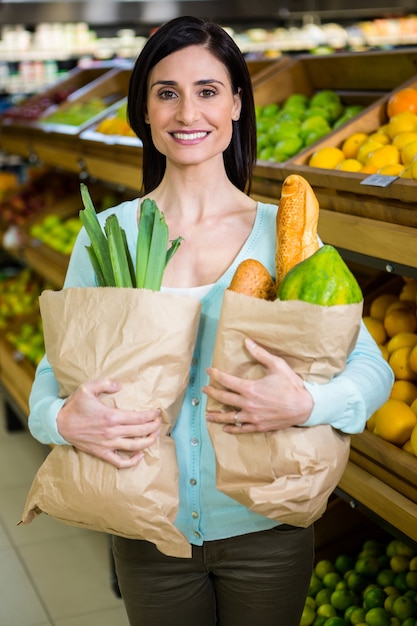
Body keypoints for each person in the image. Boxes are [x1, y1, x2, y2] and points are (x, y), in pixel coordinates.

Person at [28, 15, 394, 626]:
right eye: (166, 92)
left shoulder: (283, 236)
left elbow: (370, 365)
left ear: (236, 106)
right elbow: (55, 369)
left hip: (265, 528)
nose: (187, 112)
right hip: (148, 529)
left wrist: (307, 404)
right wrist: (60, 419)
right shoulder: (109, 236)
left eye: (207, 91)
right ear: (144, 110)